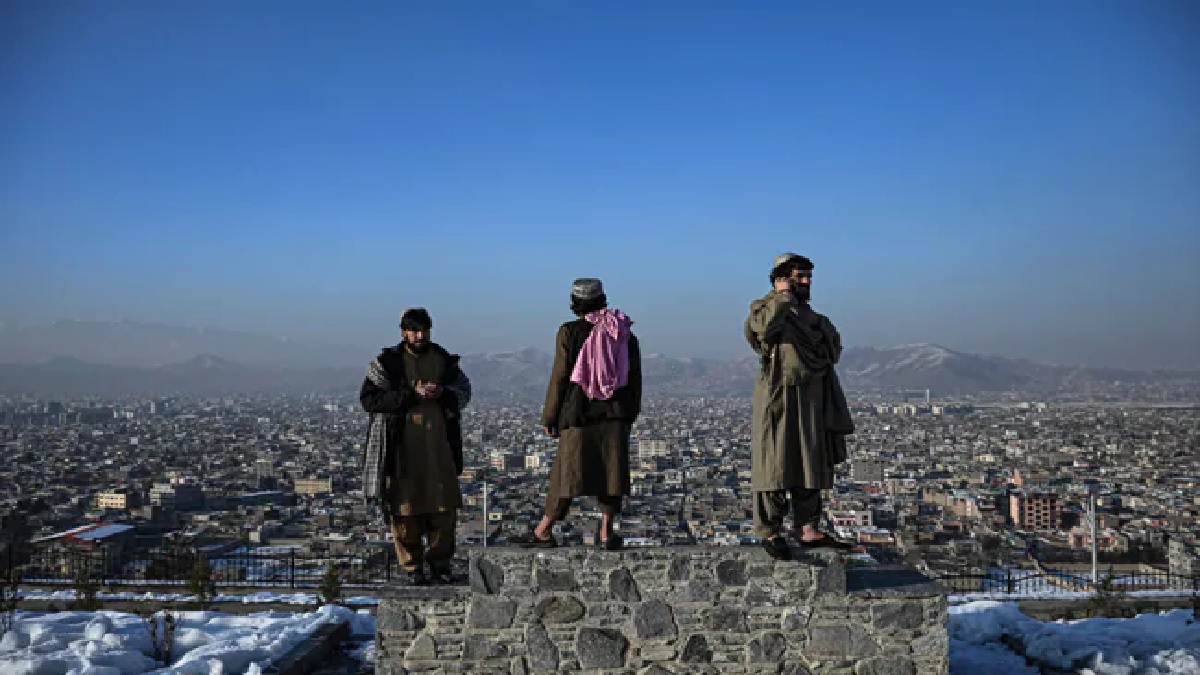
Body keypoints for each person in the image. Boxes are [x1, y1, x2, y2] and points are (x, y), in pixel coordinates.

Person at [512, 278, 642, 551]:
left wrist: (550, 416)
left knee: (566, 474)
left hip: (579, 412)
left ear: (575, 303)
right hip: (614, 413)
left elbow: (560, 376)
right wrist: (629, 413)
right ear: (602, 298)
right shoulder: (623, 332)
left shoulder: (569, 332)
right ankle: (606, 533)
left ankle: (544, 530)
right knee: (611, 472)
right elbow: (634, 379)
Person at [745, 253, 855, 560]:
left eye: (808, 277)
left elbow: (833, 348)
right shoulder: (764, 308)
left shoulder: (812, 317)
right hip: (777, 395)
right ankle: (771, 529)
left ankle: (808, 528)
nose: (806, 282)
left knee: (810, 460)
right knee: (774, 461)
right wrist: (781, 298)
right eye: (799, 276)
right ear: (782, 279)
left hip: (811, 396)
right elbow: (763, 331)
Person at [360, 308, 471, 584]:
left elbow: (463, 392)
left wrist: (443, 393)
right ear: (403, 332)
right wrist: (411, 395)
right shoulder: (388, 363)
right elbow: (370, 401)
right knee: (404, 510)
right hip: (401, 450)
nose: (419, 336)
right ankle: (412, 567)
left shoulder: (443, 360)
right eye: (413, 330)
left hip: (439, 448)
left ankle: (440, 564)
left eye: (423, 330)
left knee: (443, 509)